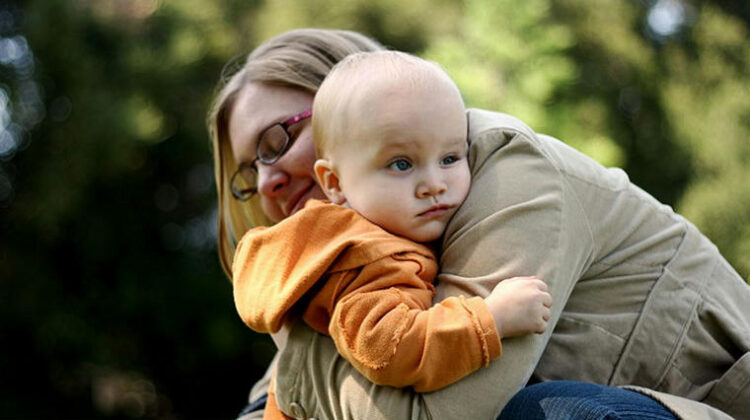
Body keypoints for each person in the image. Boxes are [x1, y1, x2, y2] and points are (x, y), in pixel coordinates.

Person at [208, 28, 750, 420]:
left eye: (276, 139)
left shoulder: (505, 170)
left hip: (707, 407)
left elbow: (438, 415)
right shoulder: (357, 247)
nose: (268, 180)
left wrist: (295, 351)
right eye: (248, 171)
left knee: (547, 413)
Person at [231, 50, 551, 419]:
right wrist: (491, 320)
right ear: (335, 183)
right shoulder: (362, 256)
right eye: (401, 164)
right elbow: (386, 349)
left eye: (450, 158)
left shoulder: (386, 231)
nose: (434, 184)